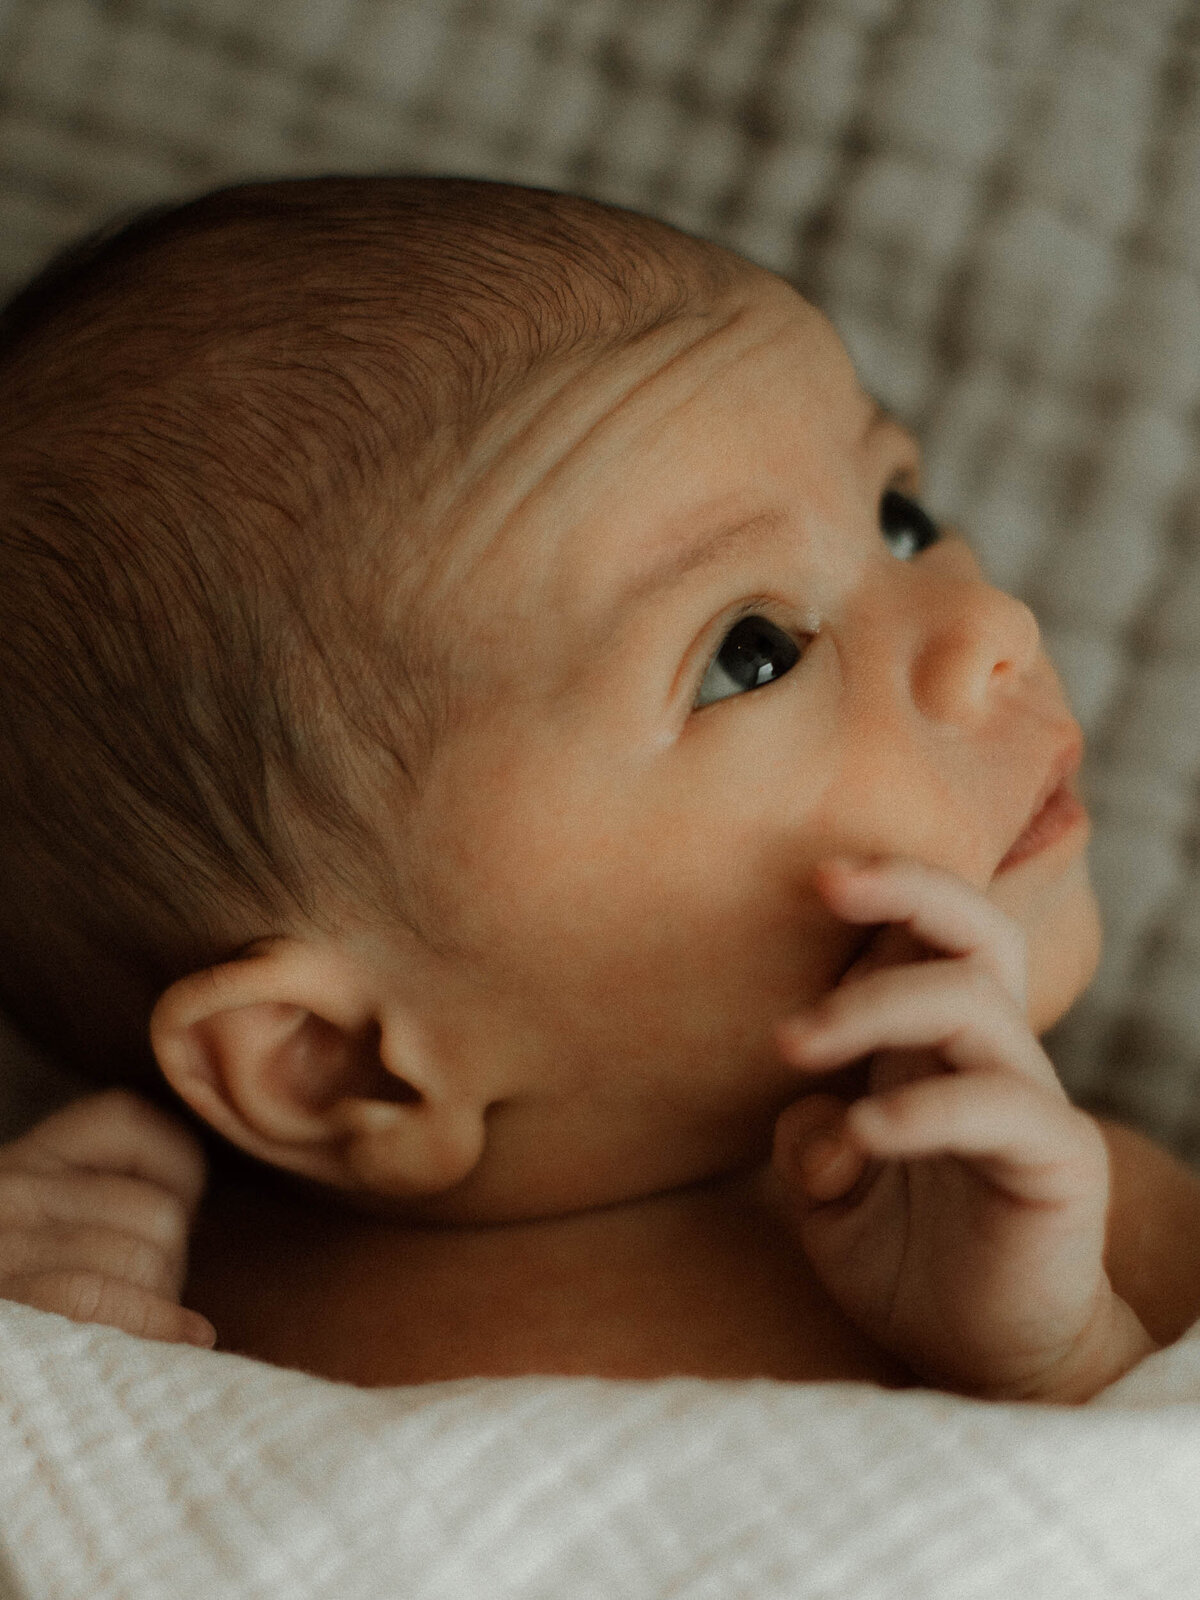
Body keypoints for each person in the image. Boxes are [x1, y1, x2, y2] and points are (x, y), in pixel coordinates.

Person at [2, 176, 1199, 1402]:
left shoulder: (1062, 1224)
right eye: (753, 653)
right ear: (339, 1063)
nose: (994, 623)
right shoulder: (126, 1306)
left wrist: (1066, 1358)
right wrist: (40, 1381)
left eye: (901, 517)